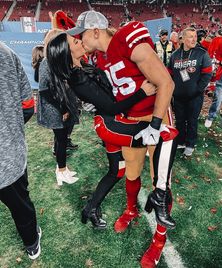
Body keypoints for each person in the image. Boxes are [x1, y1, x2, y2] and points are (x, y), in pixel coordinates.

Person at [67, 10, 177, 267]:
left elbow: (167, 84)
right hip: (131, 121)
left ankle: (159, 240)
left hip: (156, 115)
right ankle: (131, 210)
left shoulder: (128, 38)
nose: (79, 39)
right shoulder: (99, 57)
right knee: (132, 173)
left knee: (161, 184)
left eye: (81, 34)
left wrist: (156, 124)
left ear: (96, 31)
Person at [45, 31, 158, 228]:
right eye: (74, 41)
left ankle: (90, 208)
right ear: (67, 52)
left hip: (111, 122)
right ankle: (159, 197)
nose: (79, 41)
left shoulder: (83, 66)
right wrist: (142, 92)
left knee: (117, 171)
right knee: (159, 135)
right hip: (111, 124)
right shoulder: (77, 77)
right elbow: (112, 107)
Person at [0, 41, 41, 260]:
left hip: (8, 154)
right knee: (21, 206)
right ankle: (31, 242)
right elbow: (28, 105)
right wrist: (10, 130)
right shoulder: (6, 53)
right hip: (8, 156)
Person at [37, 29, 79, 186]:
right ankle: (61, 171)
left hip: (60, 106)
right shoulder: (46, 62)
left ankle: (62, 168)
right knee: (61, 139)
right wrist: (62, 109)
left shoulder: (57, 61)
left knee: (61, 139)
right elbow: (44, 90)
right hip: (54, 108)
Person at [168, 27, 212, 156]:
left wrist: (197, 90)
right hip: (178, 96)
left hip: (195, 96)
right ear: (182, 39)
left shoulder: (202, 53)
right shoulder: (175, 55)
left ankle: (190, 143)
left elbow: (207, 74)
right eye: (190, 37)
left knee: (192, 121)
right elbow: (169, 74)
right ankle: (181, 141)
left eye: (195, 36)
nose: (194, 39)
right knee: (180, 120)